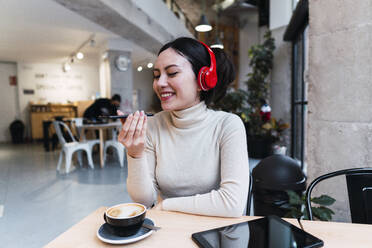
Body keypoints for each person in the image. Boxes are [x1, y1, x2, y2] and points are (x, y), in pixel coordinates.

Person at [118, 37, 249, 217]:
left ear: (203, 80)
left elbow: (232, 203)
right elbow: (144, 202)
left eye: (172, 73)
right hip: (168, 232)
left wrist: (166, 205)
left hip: (215, 234)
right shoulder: (153, 124)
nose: (160, 83)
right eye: (156, 75)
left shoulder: (227, 125)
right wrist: (135, 154)